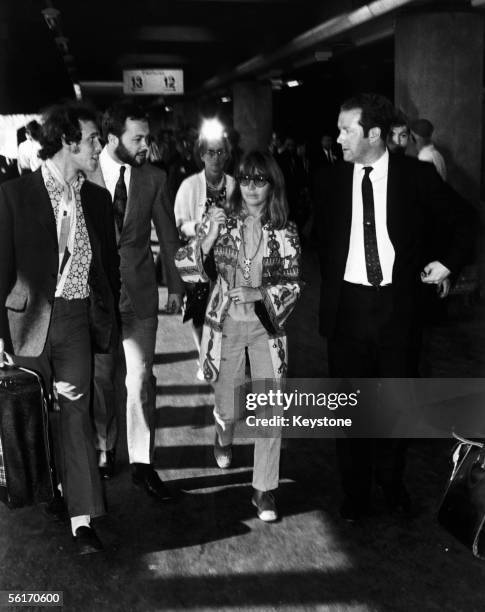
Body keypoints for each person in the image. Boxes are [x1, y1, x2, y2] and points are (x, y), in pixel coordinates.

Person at [316, 93, 473, 521]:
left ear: (374, 134)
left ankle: (391, 481)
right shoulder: (330, 180)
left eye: (347, 130)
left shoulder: (415, 177)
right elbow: (321, 240)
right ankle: (354, 492)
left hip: (397, 309)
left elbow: (465, 221)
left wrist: (446, 265)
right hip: (347, 309)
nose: (339, 137)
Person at [0, 102, 120, 554]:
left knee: (75, 411)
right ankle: (48, 488)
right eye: (92, 138)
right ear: (68, 140)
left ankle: (82, 518)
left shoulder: (96, 198)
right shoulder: (14, 195)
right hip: (26, 322)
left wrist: (107, 310)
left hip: (74, 318)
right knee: (33, 415)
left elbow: (109, 265)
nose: (99, 146)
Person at [175, 150, 302, 521]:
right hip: (225, 324)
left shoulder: (286, 229)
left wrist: (259, 293)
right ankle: (223, 432)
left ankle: (264, 490)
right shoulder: (222, 220)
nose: (250, 188)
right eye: (245, 179)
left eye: (259, 180)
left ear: (272, 184)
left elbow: (293, 284)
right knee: (229, 406)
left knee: (270, 411)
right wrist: (209, 234)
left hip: (267, 328)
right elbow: (186, 267)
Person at [88, 100, 183, 497]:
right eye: (138, 138)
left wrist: (177, 285)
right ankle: (104, 447)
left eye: (148, 137)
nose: (146, 145)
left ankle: (143, 462)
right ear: (113, 139)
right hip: (96, 298)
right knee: (101, 379)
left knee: (140, 378)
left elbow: (169, 235)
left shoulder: (154, 179)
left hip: (140, 295)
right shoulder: (85, 176)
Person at [173, 119, 235, 374]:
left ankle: (223, 354)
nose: (216, 157)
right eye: (211, 152)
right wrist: (201, 227)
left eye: (221, 152)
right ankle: (203, 355)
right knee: (199, 309)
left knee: (226, 309)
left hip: (228, 257)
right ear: (201, 155)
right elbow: (178, 224)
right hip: (199, 254)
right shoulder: (189, 186)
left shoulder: (235, 185)